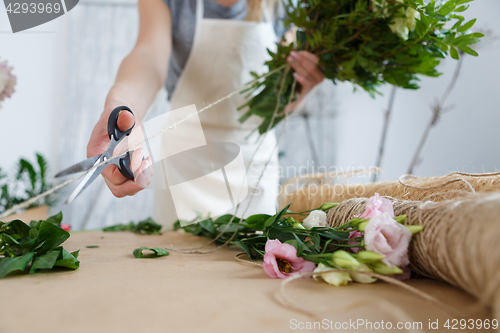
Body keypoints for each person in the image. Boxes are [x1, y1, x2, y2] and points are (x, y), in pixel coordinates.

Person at [87, 0, 324, 226]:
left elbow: (279, 103)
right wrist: (121, 105)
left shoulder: (285, 5)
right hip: (185, 168)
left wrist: (303, 88)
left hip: (253, 169)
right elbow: (148, 56)